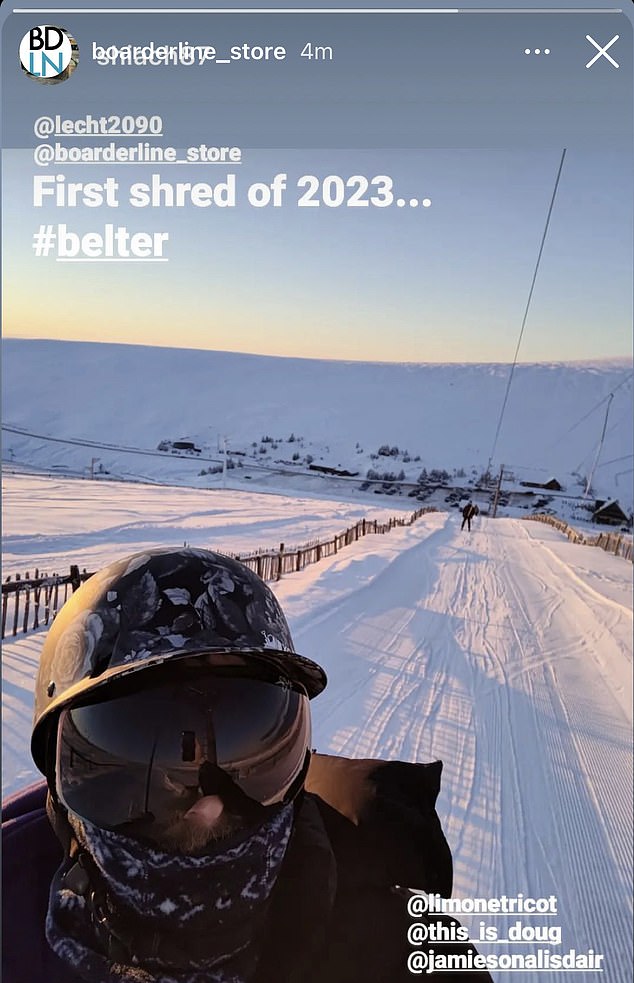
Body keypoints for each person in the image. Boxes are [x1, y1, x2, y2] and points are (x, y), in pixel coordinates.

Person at [2, 547, 493, 983]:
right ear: (59, 776)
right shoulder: (9, 908)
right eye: (146, 768)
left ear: (298, 764)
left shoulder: (406, 953)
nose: (208, 810)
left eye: (246, 749)